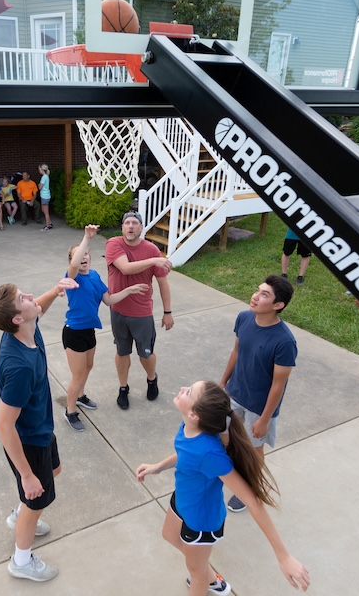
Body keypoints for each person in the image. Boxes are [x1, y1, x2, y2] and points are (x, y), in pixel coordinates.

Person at [136, 380, 310, 595]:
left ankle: (209, 580)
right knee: (170, 535)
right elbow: (185, 453)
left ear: (194, 414)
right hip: (184, 498)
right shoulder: (190, 427)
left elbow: (252, 501)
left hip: (201, 520)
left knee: (196, 572)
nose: (182, 388)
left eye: (188, 392)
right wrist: (158, 467)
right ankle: (205, 571)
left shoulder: (211, 453)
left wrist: (283, 556)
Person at [0, 276, 79, 583]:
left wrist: (56, 290)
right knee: (36, 498)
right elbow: (4, 425)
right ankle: (21, 561)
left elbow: (38, 309)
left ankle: (21, 513)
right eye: (24, 297)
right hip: (27, 441)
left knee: (56, 471)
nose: (31, 296)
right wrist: (26, 475)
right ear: (16, 317)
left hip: (40, 429)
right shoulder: (19, 366)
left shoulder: (24, 328)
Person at [219, 275, 296, 513]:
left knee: (254, 449)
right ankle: (230, 476)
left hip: (258, 407)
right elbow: (236, 352)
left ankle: (250, 489)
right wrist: (222, 383)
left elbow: (278, 385)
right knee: (227, 439)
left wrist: (264, 419)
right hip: (234, 394)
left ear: (278, 305)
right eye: (257, 290)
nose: (255, 296)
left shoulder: (284, 341)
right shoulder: (243, 318)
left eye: (265, 294)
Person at [62, 224, 148, 431]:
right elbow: (74, 264)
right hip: (73, 332)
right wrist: (86, 238)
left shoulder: (94, 277)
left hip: (89, 331)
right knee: (78, 374)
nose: (84, 258)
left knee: (88, 367)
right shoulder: (71, 278)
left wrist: (129, 290)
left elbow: (108, 300)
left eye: (86, 255)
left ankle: (80, 397)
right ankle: (70, 410)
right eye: (80, 255)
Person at [105, 211, 174, 410]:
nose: (131, 226)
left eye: (135, 223)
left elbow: (163, 283)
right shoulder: (114, 244)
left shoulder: (151, 249)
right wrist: (154, 261)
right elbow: (125, 268)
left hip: (142, 313)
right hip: (118, 310)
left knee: (146, 354)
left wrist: (167, 312)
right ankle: (123, 388)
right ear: (122, 227)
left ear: (141, 228)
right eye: (127, 223)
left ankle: (152, 379)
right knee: (122, 351)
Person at [37, 163, 53, 231]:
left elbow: (40, 187)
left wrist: (39, 185)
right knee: (43, 210)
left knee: (45, 212)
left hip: (45, 196)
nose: (39, 171)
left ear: (42, 169)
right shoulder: (46, 176)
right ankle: (49, 223)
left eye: (39, 169)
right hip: (45, 195)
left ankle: (47, 226)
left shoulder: (44, 177)